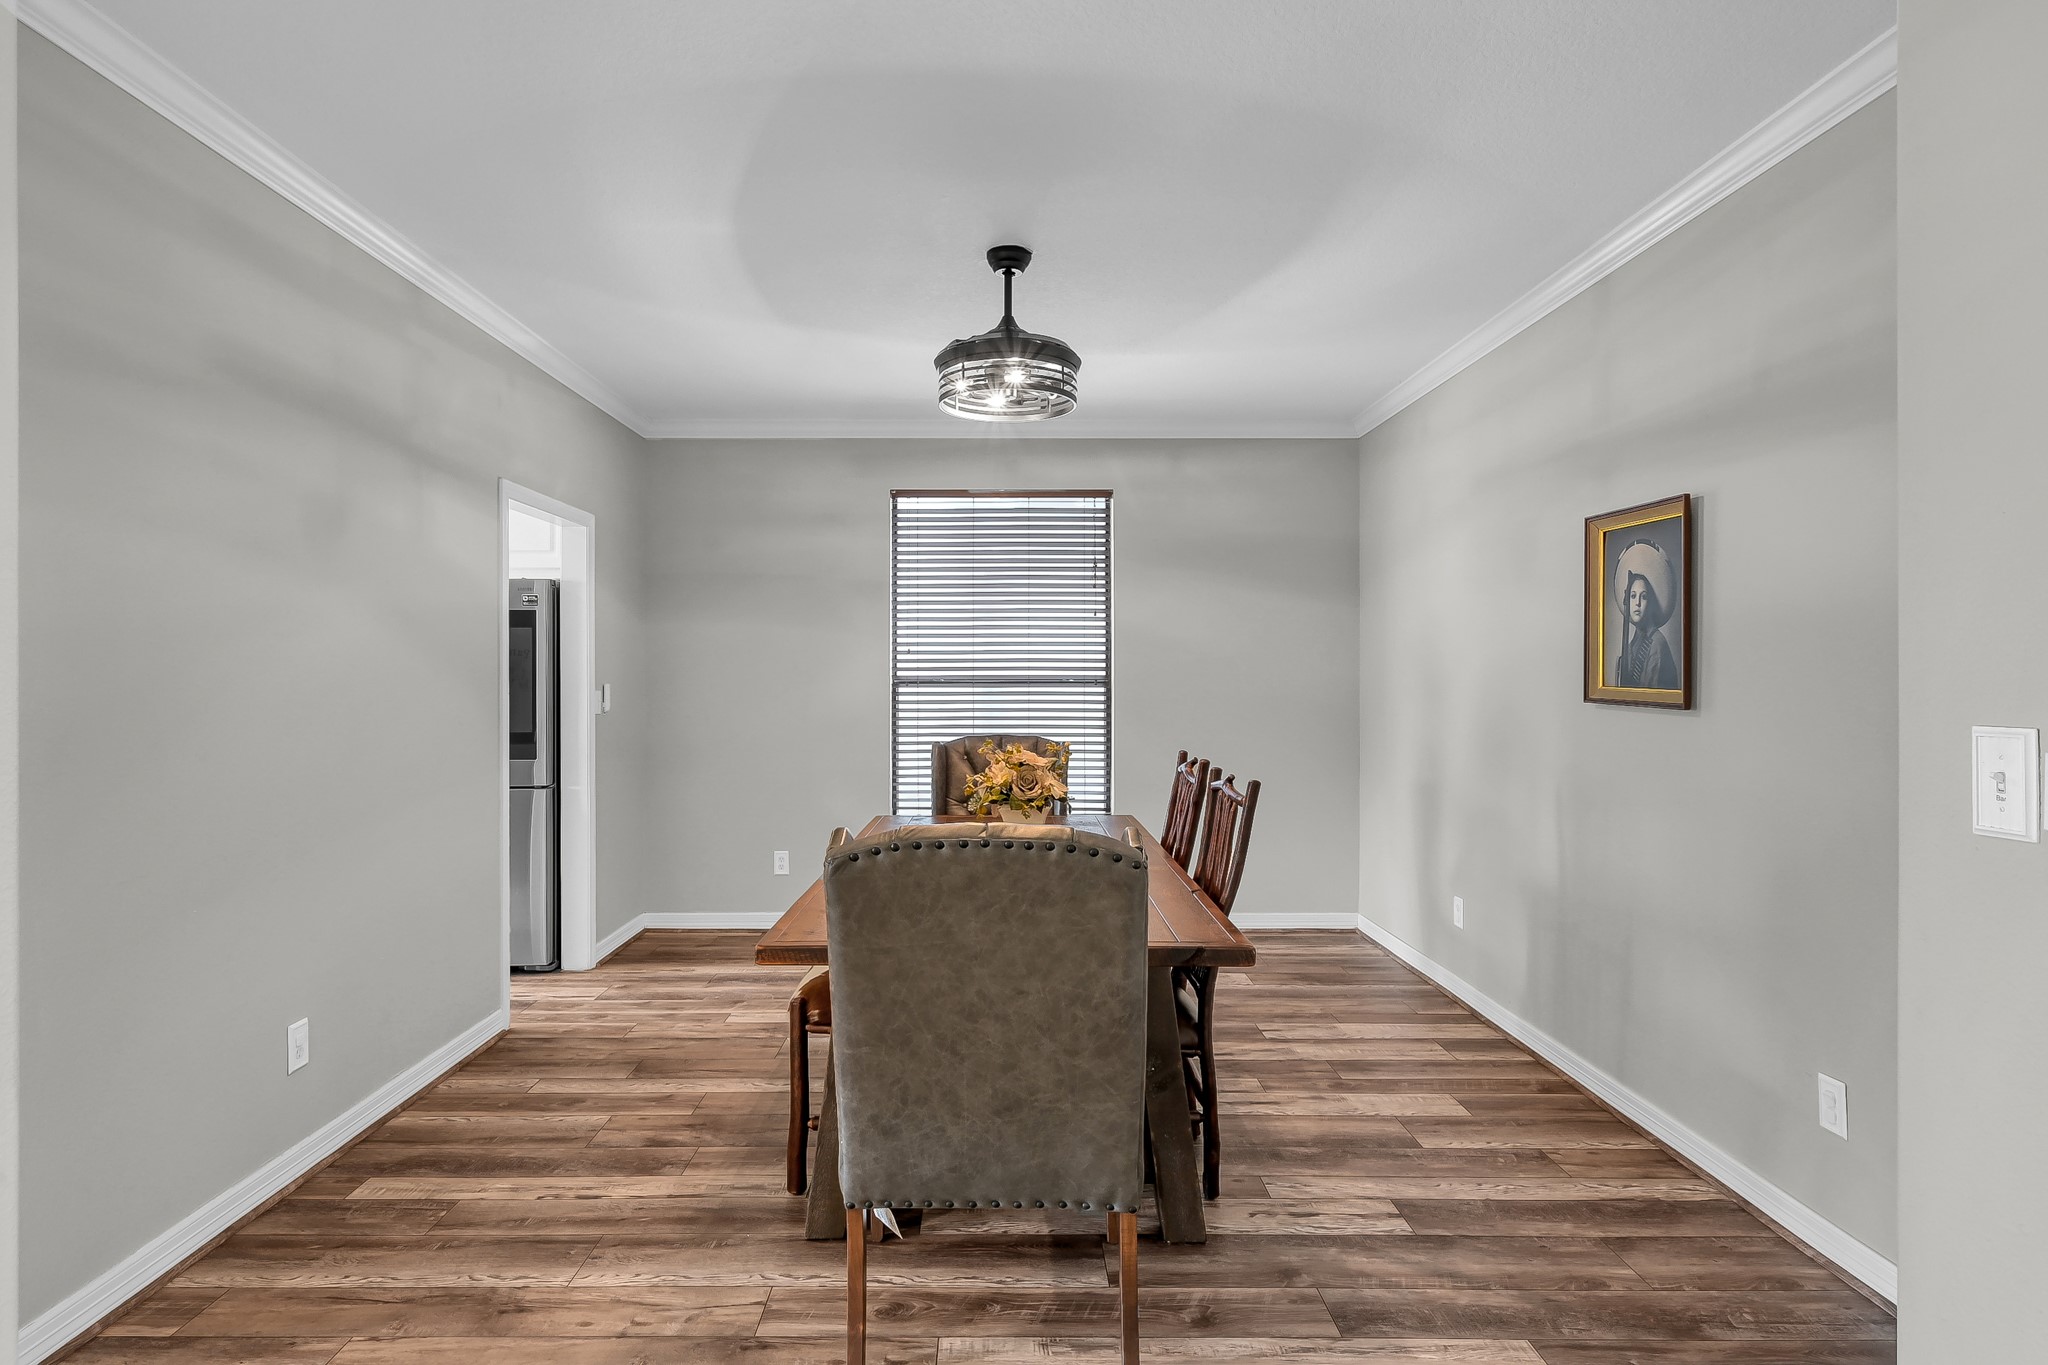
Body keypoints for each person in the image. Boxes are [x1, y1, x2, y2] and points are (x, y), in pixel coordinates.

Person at [1612, 539, 1679, 689]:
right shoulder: (1633, 644)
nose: (1637, 603)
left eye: (1643, 596)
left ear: (1651, 602)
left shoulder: (1657, 644)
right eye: (1633, 596)